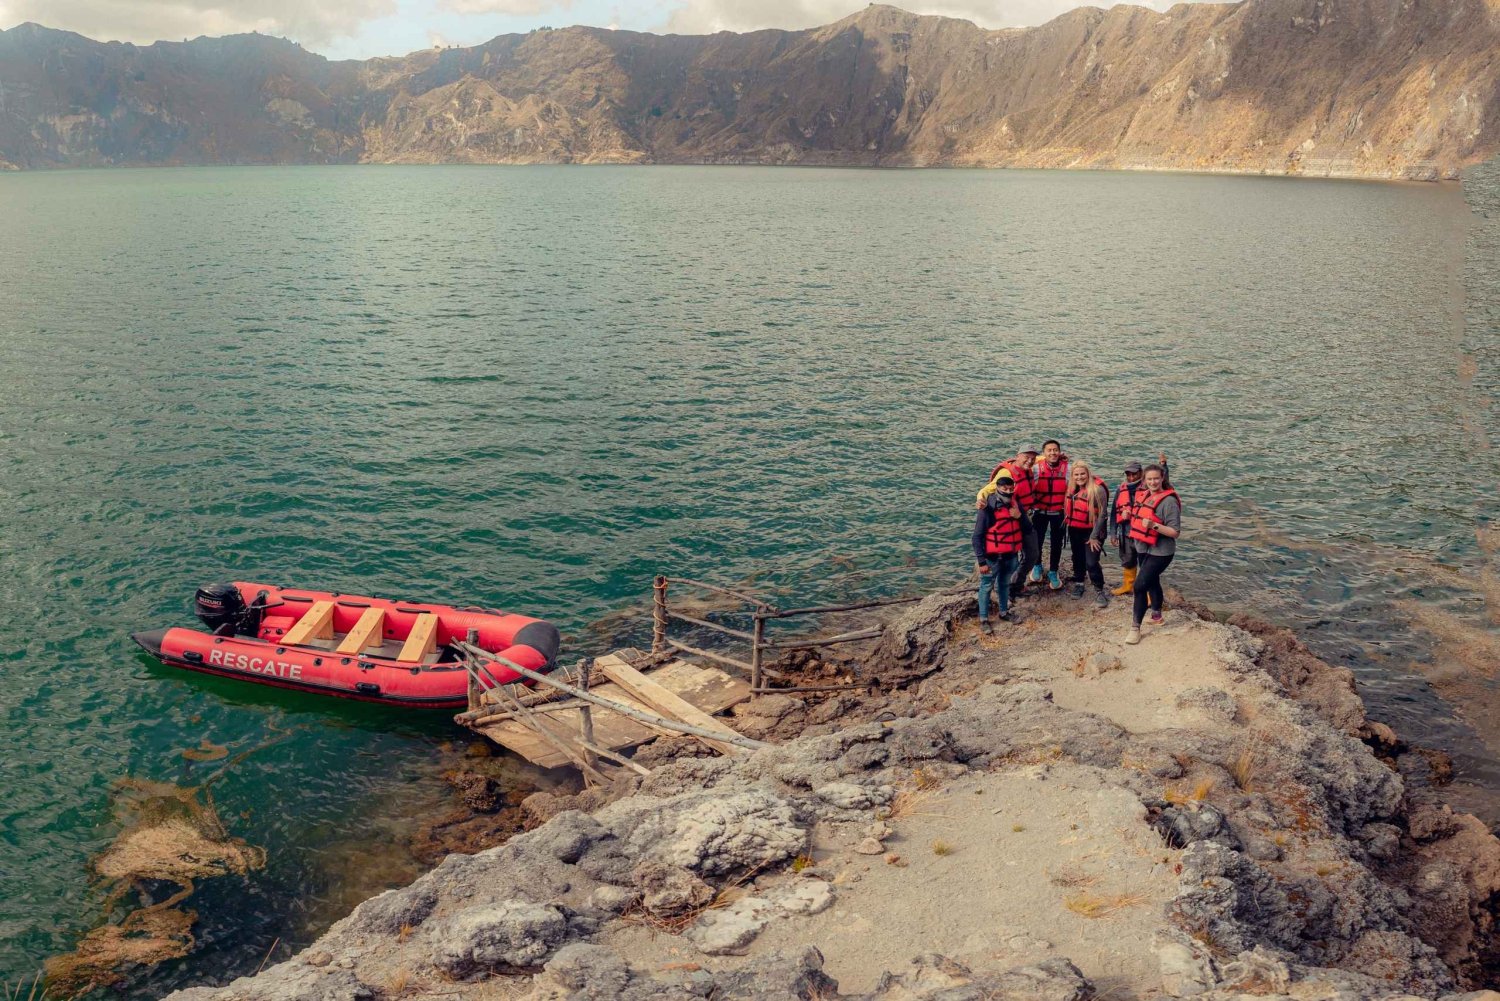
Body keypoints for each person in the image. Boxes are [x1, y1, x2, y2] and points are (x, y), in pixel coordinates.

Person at [1124, 463, 1181, 645]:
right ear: (1145, 480)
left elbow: (1175, 532)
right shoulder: (1144, 495)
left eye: (1156, 478)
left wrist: (1154, 525)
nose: (1153, 482)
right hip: (1143, 546)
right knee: (1152, 580)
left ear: (1162, 478)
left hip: (1161, 552)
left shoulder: (1169, 502)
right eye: (1149, 479)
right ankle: (1157, 615)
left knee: (1140, 586)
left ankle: (1135, 628)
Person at [983, 446, 1041, 602]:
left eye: (1033, 458)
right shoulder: (1006, 473)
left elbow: (1040, 459)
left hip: (1025, 517)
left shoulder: (1029, 467)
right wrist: (979, 500)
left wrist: (1057, 455)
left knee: (1032, 554)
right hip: (1010, 519)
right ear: (1017, 456)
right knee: (1010, 558)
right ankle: (1004, 591)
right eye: (1026, 457)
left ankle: (1017, 584)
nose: (1030, 461)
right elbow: (988, 490)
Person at [1109, 452, 1169, 597]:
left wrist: (1163, 465)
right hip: (1125, 532)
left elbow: (1164, 481)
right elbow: (1113, 512)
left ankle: (1149, 593)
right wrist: (1113, 532)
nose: (1131, 477)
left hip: (1142, 534)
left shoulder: (1149, 488)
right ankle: (1128, 585)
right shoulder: (1120, 489)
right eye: (1128, 474)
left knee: (1146, 564)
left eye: (1134, 474)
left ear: (1141, 473)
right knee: (1127, 559)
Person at [972, 469, 1024, 634]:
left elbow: (1028, 529)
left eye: (1010, 489)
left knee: (1004, 584)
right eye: (1004, 489)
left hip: (1010, 555)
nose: (1008, 492)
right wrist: (981, 561)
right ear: (997, 489)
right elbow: (977, 537)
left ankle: (1004, 612)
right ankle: (984, 619)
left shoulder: (1016, 505)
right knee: (986, 586)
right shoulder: (987, 508)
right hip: (991, 557)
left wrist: (1019, 516)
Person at [1063, 459, 1110, 607]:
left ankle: (1099, 589)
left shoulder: (1098, 489)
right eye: (1076, 475)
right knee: (1077, 557)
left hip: (1093, 531)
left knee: (1091, 561)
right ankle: (1079, 583)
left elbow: (1103, 515)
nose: (1079, 477)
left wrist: (1094, 536)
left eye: (1082, 474)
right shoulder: (1071, 487)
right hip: (1075, 528)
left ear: (1088, 473)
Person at [1028, 440, 1069, 590]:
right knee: (1037, 541)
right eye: (1049, 450)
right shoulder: (1036, 469)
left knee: (1056, 543)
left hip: (1058, 512)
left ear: (1059, 452)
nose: (1053, 453)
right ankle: (1037, 566)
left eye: (1055, 450)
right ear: (1044, 453)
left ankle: (1053, 571)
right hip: (1040, 511)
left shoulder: (1067, 469)